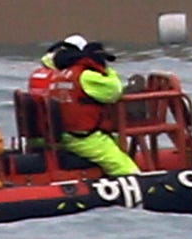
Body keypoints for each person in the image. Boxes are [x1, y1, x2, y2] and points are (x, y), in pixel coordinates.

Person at [32, 35, 139, 177]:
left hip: (64, 135)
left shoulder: (61, 74)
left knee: (116, 144)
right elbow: (114, 91)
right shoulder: (86, 76)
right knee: (126, 169)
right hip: (84, 137)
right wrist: (106, 70)